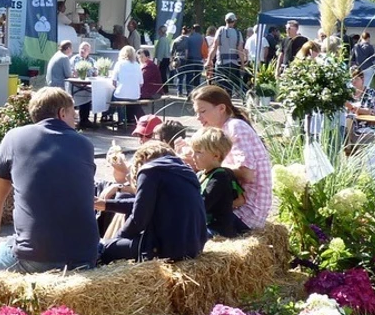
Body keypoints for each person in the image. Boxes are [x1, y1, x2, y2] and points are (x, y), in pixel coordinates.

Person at [0, 88, 98, 272]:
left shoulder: (14, 138)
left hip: (35, 257)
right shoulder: (85, 145)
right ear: (62, 113)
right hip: (85, 258)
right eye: (73, 116)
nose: (75, 122)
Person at [96, 141, 206, 264]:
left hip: (166, 250)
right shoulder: (186, 172)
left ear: (143, 159)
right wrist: (106, 204)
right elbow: (143, 204)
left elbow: (139, 219)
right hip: (194, 248)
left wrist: (117, 239)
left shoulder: (149, 171)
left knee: (100, 249)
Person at [189, 86, 272, 234]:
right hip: (237, 206)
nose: (198, 117)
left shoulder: (235, 127)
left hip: (246, 213)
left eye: (202, 111)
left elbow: (247, 174)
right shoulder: (225, 128)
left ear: (221, 108)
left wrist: (210, 167)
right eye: (196, 112)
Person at [190, 127, 245, 239]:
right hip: (205, 225)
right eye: (193, 151)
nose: (193, 156)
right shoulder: (200, 174)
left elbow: (201, 206)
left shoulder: (220, 177)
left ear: (216, 156)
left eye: (198, 152)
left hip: (218, 230)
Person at [111, 46, 144, 124]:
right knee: (129, 98)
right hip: (135, 95)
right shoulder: (137, 65)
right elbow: (141, 83)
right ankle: (129, 119)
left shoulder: (119, 64)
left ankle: (109, 115)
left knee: (114, 96)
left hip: (121, 94)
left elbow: (113, 81)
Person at [209, 13, 243, 88]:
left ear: (225, 20)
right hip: (233, 64)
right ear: (234, 21)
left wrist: (209, 60)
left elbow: (214, 47)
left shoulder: (220, 31)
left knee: (219, 86)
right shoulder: (238, 33)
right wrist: (242, 64)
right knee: (229, 87)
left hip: (221, 63)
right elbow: (240, 50)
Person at [172, 26, 194, 94]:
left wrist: (172, 60)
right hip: (187, 60)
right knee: (189, 77)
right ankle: (188, 91)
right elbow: (188, 50)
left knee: (179, 77)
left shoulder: (176, 40)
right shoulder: (189, 40)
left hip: (178, 60)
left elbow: (172, 51)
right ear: (188, 32)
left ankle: (179, 91)